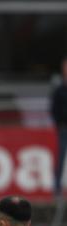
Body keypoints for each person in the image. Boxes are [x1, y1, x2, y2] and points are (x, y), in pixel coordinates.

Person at [52, 58, 67, 198]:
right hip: (63, 128)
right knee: (61, 158)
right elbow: (54, 109)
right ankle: (56, 189)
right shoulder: (59, 90)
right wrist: (59, 122)